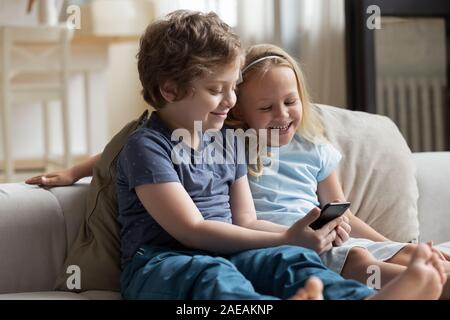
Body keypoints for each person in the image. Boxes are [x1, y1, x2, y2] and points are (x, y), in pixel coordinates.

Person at [26, 12, 446, 300]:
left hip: (225, 253)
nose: (231, 100)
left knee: (291, 261)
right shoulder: (147, 147)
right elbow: (191, 229)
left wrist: (295, 236)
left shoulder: (229, 143)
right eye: (217, 89)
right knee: (214, 278)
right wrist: (284, 235)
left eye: (233, 86)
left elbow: (245, 221)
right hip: (161, 264)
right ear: (170, 91)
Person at [224, 43, 450, 298]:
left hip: (329, 239)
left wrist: (392, 245)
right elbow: (242, 223)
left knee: (403, 253)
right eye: (266, 108)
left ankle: (427, 275)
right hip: (287, 246)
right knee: (359, 260)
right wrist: (296, 236)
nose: (282, 114)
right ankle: (420, 284)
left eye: (290, 101)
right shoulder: (235, 147)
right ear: (239, 109)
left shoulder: (313, 148)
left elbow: (345, 215)